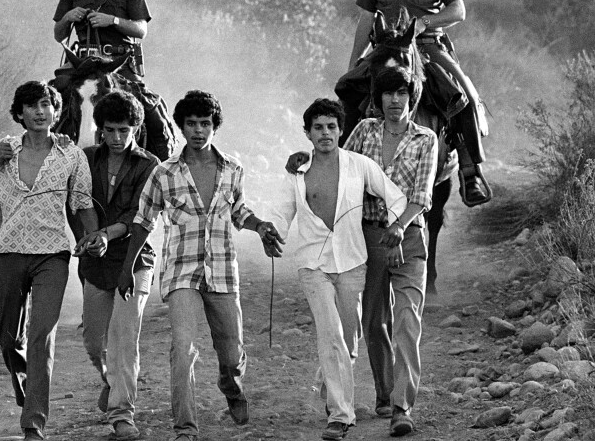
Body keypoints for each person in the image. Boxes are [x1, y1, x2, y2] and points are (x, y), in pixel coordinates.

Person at [116, 90, 283, 441]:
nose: (198, 131)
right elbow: (144, 221)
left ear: (214, 127)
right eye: (191, 124)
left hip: (222, 272)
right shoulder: (164, 173)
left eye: (205, 124)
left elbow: (239, 212)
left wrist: (261, 226)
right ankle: (186, 428)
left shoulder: (233, 170)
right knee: (183, 347)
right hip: (181, 273)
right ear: (181, 127)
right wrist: (127, 266)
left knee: (232, 350)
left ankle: (231, 384)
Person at [0, 81, 99, 441]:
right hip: (8, 253)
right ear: (20, 113)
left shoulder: (72, 156)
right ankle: (24, 378)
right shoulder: (5, 150)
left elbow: (83, 203)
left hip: (52, 255)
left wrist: (93, 237)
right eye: (32, 105)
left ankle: (34, 421)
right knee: (9, 338)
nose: (40, 112)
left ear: (56, 112)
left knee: (41, 335)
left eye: (47, 105)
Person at [271, 99, 407, 441]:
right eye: (318, 127)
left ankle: (327, 383)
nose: (325, 133)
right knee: (330, 334)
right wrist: (270, 232)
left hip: (351, 262)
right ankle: (341, 415)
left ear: (341, 130)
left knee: (348, 338)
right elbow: (281, 211)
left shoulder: (360, 165)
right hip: (312, 265)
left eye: (331, 126)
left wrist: (397, 228)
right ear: (307, 133)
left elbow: (395, 197)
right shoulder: (297, 173)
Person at [348, 0, 490, 206]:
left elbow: (458, 10)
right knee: (345, 94)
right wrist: (353, 63)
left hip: (427, 46)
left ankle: (471, 171)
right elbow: (364, 19)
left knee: (462, 96)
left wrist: (427, 21)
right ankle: (340, 169)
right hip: (386, 48)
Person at [343, 67, 437, 437]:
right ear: (379, 98)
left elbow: (423, 195)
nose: (395, 101)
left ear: (411, 98)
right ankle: (384, 393)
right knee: (374, 319)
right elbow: (342, 167)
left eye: (401, 94)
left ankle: (402, 405)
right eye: (388, 94)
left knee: (407, 321)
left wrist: (399, 225)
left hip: (409, 236)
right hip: (369, 237)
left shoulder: (425, 138)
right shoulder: (365, 130)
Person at [72, 91, 160, 440]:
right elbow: (76, 201)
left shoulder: (148, 164)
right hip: (95, 261)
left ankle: (123, 414)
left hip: (134, 258)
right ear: (101, 129)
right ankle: (109, 379)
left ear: (135, 128)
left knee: (125, 338)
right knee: (94, 341)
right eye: (111, 130)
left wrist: (106, 234)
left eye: (125, 130)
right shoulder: (85, 159)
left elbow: (140, 213)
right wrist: (91, 237)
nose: (118, 138)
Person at [53, 0, 174, 161]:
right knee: (45, 100)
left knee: (151, 112)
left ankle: (161, 167)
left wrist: (113, 21)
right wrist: (68, 17)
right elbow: (59, 34)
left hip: (119, 66)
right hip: (82, 64)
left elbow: (141, 29)